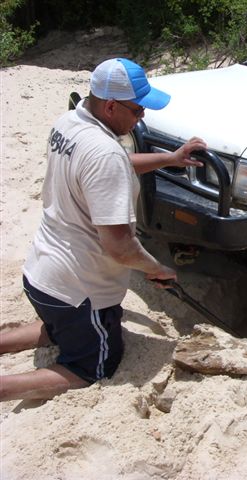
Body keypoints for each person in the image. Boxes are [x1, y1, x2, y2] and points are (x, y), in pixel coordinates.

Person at [0, 58, 207, 401]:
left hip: (39, 276)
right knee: (93, 367)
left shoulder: (70, 122)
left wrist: (169, 158)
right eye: (138, 110)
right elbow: (120, 246)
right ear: (111, 106)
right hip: (78, 292)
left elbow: (111, 164)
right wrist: (157, 269)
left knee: (59, 328)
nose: (142, 117)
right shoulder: (105, 152)